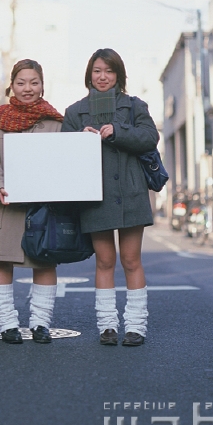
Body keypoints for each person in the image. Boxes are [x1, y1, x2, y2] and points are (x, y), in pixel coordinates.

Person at [61, 48, 159, 346]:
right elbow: (64, 153)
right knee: (104, 261)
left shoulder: (133, 106)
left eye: (109, 71)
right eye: (97, 71)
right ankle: (107, 326)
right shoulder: (75, 111)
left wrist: (117, 131)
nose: (102, 77)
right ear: (89, 75)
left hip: (130, 191)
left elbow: (149, 137)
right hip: (94, 194)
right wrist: (82, 139)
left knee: (131, 259)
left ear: (119, 75)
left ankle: (136, 326)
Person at [0, 59, 63, 344]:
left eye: (34, 82)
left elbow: (66, 159)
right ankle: (7, 324)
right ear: (11, 84)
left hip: (43, 208)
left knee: (45, 262)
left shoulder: (56, 122)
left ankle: (40, 324)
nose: (27, 88)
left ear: (42, 85)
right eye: (21, 82)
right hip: (5, 204)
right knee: (2, 261)